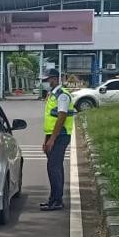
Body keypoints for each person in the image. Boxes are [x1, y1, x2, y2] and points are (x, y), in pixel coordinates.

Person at [40, 69, 75, 211]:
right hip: (52, 135)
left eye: (47, 80)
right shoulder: (52, 95)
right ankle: (53, 198)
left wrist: (52, 139)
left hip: (61, 135)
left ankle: (57, 201)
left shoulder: (62, 96)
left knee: (54, 168)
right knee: (54, 167)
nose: (45, 83)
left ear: (54, 79)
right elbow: (50, 119)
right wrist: (46, 139)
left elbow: (61, 118)